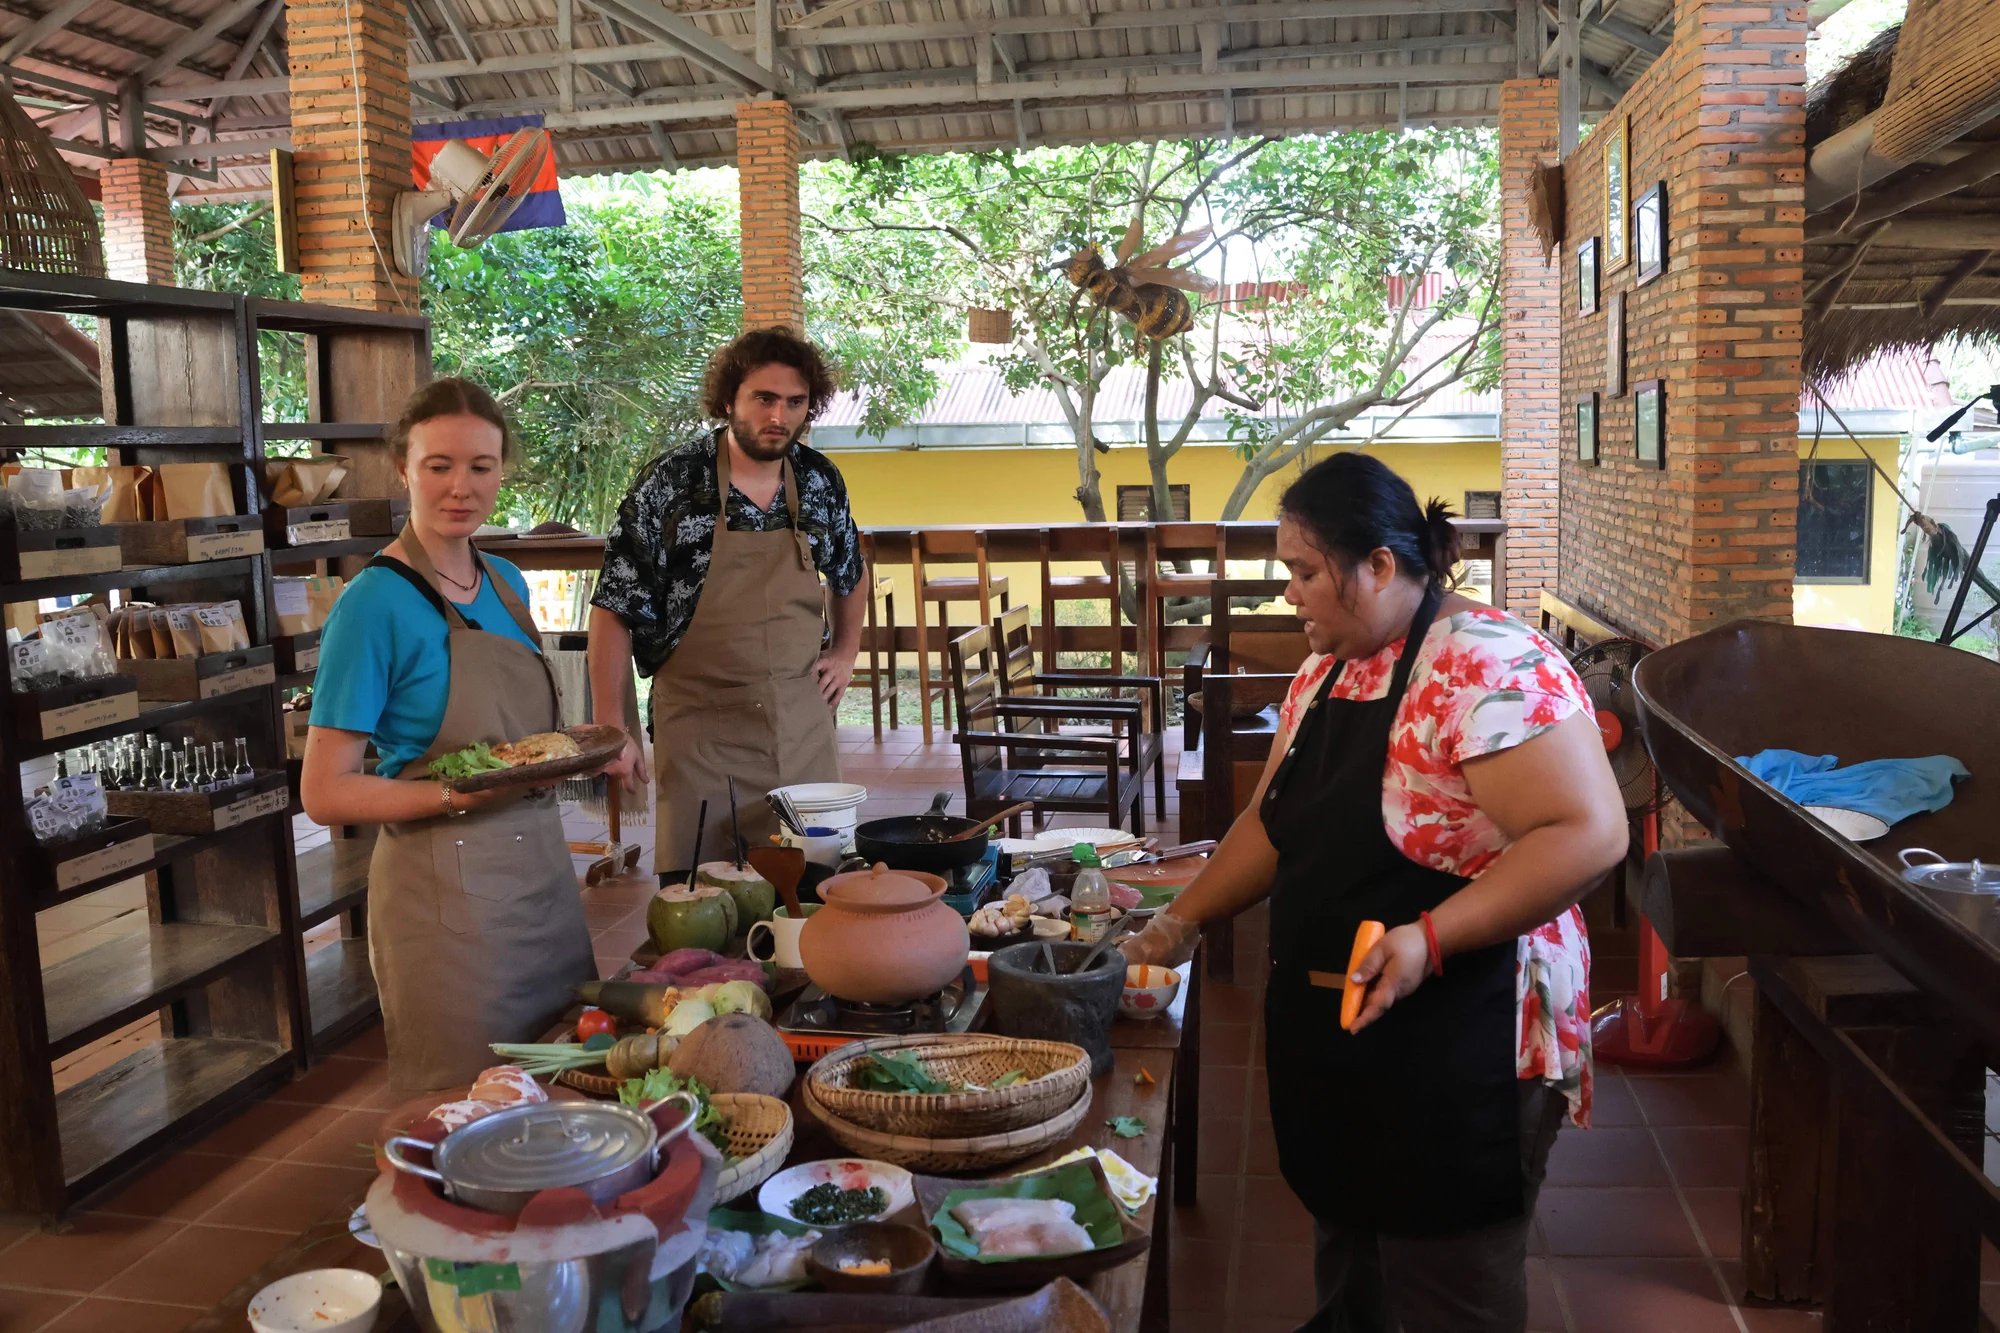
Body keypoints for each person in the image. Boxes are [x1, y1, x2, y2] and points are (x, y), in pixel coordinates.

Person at [1121, 453, 1627, 1332]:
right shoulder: (1330, 666)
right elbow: (1269, 824)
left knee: (1446, 1280)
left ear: (1381, 566)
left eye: (1305, 571)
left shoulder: (1486, 664)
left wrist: (1428, 937)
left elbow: (1589, 835)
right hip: (1353, 1032)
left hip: (1468, 1031)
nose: (1290, 594)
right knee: (1351, 1258)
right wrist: (1175, 923)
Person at [300, 378, 594, 1092]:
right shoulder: (373, 605)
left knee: (565, 1085)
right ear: (403, 468)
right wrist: (454, 797)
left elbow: (516, 740)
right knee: (469, 1102)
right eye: (439, 465)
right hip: (445, 895)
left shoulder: (506, 583)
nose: (461, 486)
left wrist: (573, 754)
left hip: (540, 879)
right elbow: (324, 790)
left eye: (481, 466)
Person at [589, 327, 864, 872]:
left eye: (795, 402)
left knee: (813, 892)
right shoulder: (672, 484)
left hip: (799, 726)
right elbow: (613, 608)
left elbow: (850, 571)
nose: (778, 417)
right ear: (728, 399)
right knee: (698, 903)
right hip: (700, 734)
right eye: (764, 398)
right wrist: (609, 730)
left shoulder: (818, 481)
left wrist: (847, 650)